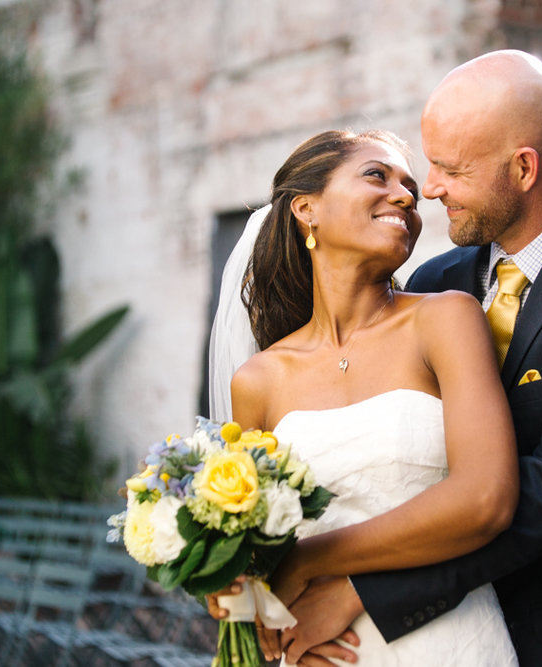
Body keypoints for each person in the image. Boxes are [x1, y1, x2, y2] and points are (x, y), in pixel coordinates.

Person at [271, 51, 542, 666]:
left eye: (450, 168)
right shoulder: (435, 279)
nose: (432, 188)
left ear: (524, 168)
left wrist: (360, 591)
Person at [220, 128, 521, 665]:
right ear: (307, 209)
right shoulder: (258, 380)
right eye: (376, 175)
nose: (407, 195)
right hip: (317, 652)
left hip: (449, 643)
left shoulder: (445, 319)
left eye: (409, 185)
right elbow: (247, 557)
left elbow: (485, 499)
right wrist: (238, 601)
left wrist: (307, 561)